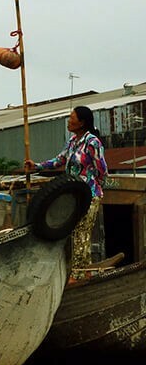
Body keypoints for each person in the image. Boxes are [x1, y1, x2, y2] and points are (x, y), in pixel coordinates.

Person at [24, 106, 109, 276]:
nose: (69, 121)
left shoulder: (92, 142)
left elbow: (102, 170)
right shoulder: (72, 141)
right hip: (73, 195)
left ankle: (79, 274)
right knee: (72, 233)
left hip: (89, 195)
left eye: (72, 118)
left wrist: (93, 186)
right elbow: (59, 160)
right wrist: (37, 166)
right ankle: (78, 272)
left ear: (82, 123)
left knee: (82, 234)